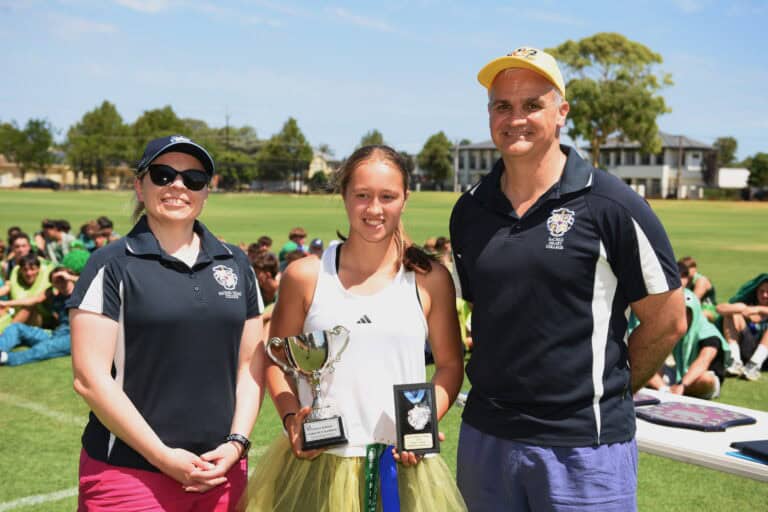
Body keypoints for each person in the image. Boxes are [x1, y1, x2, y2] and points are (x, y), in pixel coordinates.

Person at [449, 47, 685, 511]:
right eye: (503, 106)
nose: (515, 118)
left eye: (532, 105)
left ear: (561, 113)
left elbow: (668, 320)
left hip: (585, 449)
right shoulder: (470, 210)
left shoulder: (610, 204)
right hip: (486, 439)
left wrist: (606, 392)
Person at [242, 145, 467, 511]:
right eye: (362, 195)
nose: (374, 209)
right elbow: (276, 361)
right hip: (319, 464)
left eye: (387, 196)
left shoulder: (430, 278)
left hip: (401, 466)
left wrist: (420, 424)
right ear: (344, 195)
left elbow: (450, 366)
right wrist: (290, 419)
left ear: (405, 199)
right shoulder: (306, 276)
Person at [68, 134, 266, 511]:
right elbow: (89, 378)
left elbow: (249, 365)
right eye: (163, 175)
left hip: (220, 472)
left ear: (207, 191)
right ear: (139, 186)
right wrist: (163, 456)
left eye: (193, 179)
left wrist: (236, 443)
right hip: (129, 475)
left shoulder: (236, 264)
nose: (178, 186)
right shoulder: (111, 264)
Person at [640, 264, 728, 399]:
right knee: (642, 365)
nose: (682, 317)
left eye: (687, 313)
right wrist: (663, 387)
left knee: (705, 380)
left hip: (699, 377)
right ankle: (664, 390)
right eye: (679, 312)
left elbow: (703, 361)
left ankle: (676, 390)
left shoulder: (709, 334)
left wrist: (683, 385)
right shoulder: (670, 327)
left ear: (695, 312)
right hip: (674, 375)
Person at [0, 249, 88, 366]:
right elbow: (33, 300)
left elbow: (92, 282)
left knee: (44, 348)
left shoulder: (82, 291)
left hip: (75, 336)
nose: (61, 282)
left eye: (63, 278)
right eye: (57, 280)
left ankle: (6, 358)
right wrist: (7, 303)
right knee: (16, 328)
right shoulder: (53, 294)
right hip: (56, 334)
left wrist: (68, 277)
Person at [717, 273, 768, 381]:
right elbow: (720, 308)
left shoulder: (756, 309)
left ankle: (754, 365)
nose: (764, 295)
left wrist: (759, 309)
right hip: (746, 347)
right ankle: (735, 361)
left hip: (765, 359)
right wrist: (741, 308)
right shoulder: (748, 305)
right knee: (731, 314)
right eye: (761, 291)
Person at [0, 252, 54, 329]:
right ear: (20, 271)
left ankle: (7, 336)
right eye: (25, 270)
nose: (29, 273)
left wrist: (5, 303)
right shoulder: (17, 279)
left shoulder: (48, 284)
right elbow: (7, 287)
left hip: (45, 322)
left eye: (32, 269)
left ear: (38, 269)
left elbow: (37, 299)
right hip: (21, 317)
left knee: (29, 306)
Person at [679, 256, 718, 322]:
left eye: (687, 268)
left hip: (709, 309)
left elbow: (694, 299)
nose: (685, 270)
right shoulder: (685, 280)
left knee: (693, 316)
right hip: (694, 309)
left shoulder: (701, 280)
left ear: (694, 268)